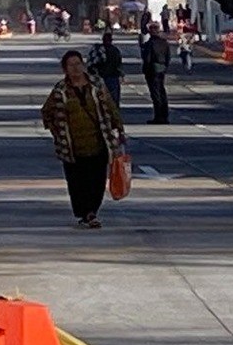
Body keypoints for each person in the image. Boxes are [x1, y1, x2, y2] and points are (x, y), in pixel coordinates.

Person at [40, 50, 126, 229]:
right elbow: (46, 112)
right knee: (77, 183)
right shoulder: (60, 90)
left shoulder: (96, 85)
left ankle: (91, 212)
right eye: (71, 65)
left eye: (78, 64)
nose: (76, 68)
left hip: (98, 142)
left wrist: (119, 127)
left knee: (97, 181)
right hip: (71, 147)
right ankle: (85, 212)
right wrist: (57, 131)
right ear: (65, 69)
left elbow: (110, 106)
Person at [140, 22, 171, 124]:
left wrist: (145, 69)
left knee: (155, 94)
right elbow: (168, 57)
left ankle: (158, 116)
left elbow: (147, 59)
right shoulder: (164, 43)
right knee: (162, 92)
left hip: (152, 70)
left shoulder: (150, 44)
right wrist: (165, 67)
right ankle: (164, 115)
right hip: (162, 69)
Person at [88, 31, 124, 106]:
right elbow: (119, 64)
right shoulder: (115, 50)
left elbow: (91, 64)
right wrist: (121, 75)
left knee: (100, 100)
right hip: (113, 77)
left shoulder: (97, 50)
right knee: (113, 100)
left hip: (101, 77)